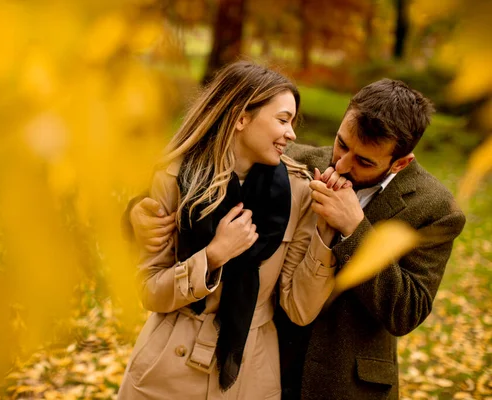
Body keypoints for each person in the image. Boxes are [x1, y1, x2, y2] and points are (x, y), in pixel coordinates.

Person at [127, 78, 466, 400]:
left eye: (363, 161)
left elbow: (407, 311)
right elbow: (187, 183)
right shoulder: (296, 162)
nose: (342, 164)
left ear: (401, 162)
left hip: (344, 384)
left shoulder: (434, 208)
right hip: (265, 366)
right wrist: (134, 214)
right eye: (342, 143)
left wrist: (355, 229)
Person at [118, 60, 348, 400]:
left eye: (292, 122)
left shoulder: (299, 192)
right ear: (241, 118)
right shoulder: (174, 179)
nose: (292, 133)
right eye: (283, 120)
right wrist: (212, 257)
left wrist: (325, 234)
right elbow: (148, 291)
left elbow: (299, 307)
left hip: (251, 376)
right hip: (168, 370)